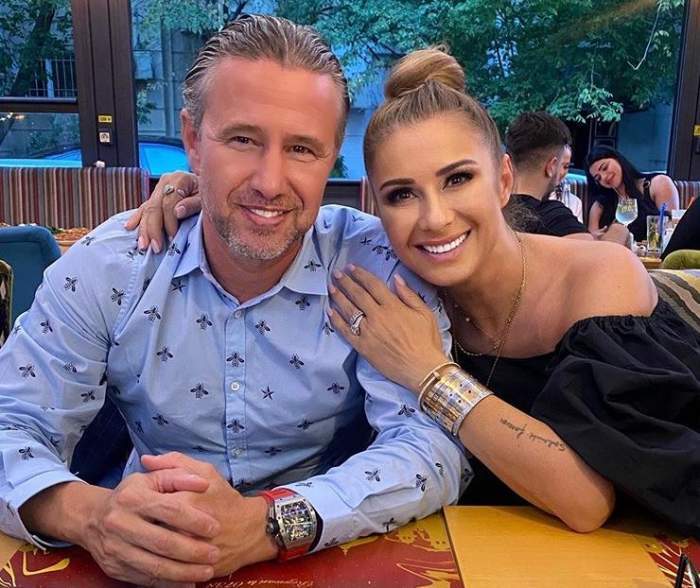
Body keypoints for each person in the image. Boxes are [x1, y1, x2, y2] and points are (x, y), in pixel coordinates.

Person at [141, 47, 700, 538]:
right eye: (402, 194)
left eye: (458, 179)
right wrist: (203, 189)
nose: (434, 218)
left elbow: (586, 501)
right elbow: (282, 214)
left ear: (504, 179)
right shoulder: (385, 274)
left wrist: (428, 372)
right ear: (376, 209)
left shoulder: (599, 277)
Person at [0, 17, 467, 586]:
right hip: (137, 553)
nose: (270, 181)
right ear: (194, 141)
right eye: (243, 140)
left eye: (302, 148)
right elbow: (10, 421)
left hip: (326, 554)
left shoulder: (376, 266)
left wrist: (268, 524)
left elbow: (431, 448)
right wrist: (91, 515)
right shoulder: (110, 268)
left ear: (331, 161)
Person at [505, 111, 629, 245]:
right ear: (551, 166)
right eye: (562, 165)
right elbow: (600, 255)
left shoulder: (494, 211)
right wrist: (619, 230)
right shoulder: (553, 218)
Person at [586, 145, 680, 242]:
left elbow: (671, 228)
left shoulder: (658, 183)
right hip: (614, 250)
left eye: (605, 168)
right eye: (598, 178)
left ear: (617, 159)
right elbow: (592, 240)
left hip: (653, 249)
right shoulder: (600, 205)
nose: (604, 177)